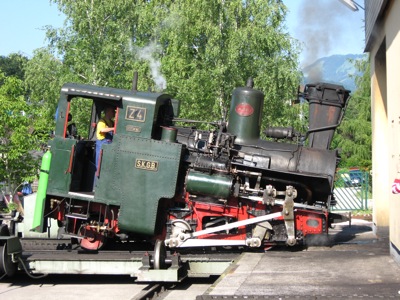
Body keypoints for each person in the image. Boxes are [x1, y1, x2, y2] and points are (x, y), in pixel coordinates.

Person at [94, 106, 115, 190]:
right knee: (99, 165)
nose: (114, 113)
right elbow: (102, 130)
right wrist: (114, 128)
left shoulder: (111, 122)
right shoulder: (102, 121)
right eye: (112, 111)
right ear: (108, 111)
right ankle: (96, 187)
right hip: (102, 144)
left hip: (109, 144)